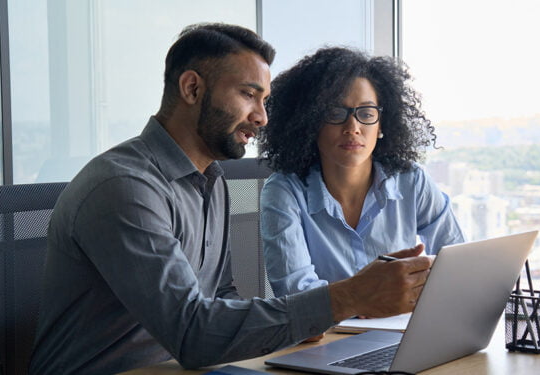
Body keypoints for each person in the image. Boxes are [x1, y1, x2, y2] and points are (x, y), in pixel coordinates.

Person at [28, 24, 432, 375]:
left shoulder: (211, 180)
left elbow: (219, 299)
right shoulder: (124, 187)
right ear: (192, 88)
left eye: (264, 100)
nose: (262, 117)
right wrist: (349, 297)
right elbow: (192, 333)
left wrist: (303, 324)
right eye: (248, 94)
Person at [258, 47, 464, 300]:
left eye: (366, 114)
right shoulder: (284, 191)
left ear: (381, 126)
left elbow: (457, 262)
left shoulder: (412, 180)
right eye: (335, 113)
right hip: (325, 336)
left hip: (403, 328)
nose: (352, 127)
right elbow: (296, 294)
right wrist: (366, 300)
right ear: (311, 123)